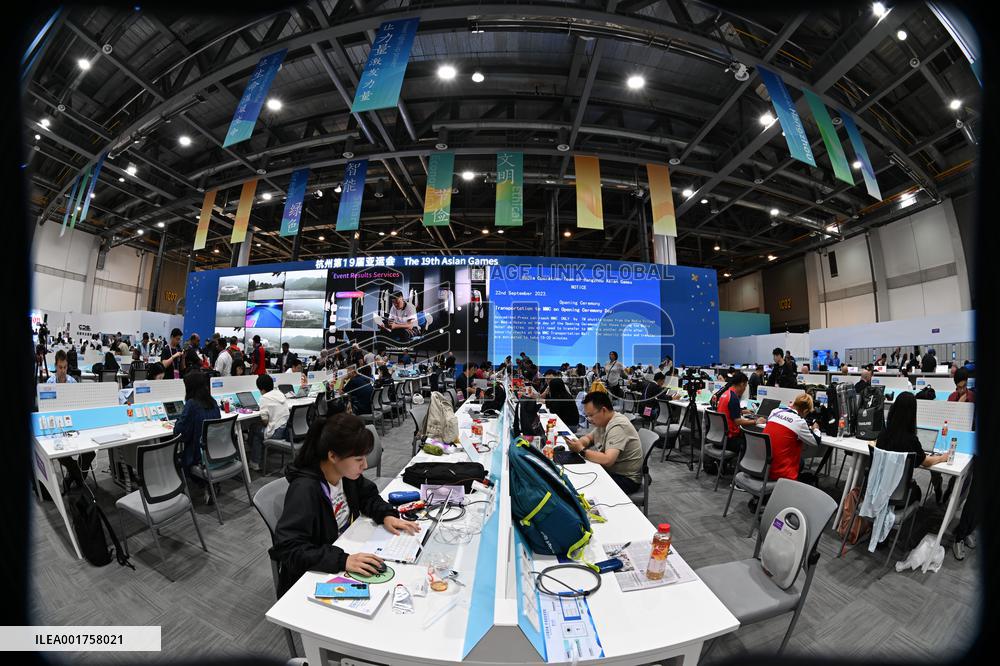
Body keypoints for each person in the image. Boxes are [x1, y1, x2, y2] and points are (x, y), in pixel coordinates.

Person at [269, 413, 419, 596]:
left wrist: (386, 514)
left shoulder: (346, 475)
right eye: (358, 459)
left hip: (345, 547)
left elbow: (368, 496)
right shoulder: (305, 490)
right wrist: (343, 561)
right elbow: (288, 548)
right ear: (332, 456)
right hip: (315, 571)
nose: (364, 465)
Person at [874, 391, 950, 506]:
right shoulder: (910, 439)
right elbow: (926, 462)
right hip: (900, 496)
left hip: (878, 490)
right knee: (917, 491)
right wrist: (942, 457)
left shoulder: (882, 435)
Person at [566, 391, 644, 494]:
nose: (589, 419)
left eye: (591, 415)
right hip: (613, 471)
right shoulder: (604, 421)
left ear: (603, 410)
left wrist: (581, 450)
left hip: (626, 479)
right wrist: (579, 443)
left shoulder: (618, 426)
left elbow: (608, 460)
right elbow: (589, 438)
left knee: (584, 486)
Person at [171, 370, 222, 502]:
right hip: (215, 452)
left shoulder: (192, 405)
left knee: (174, 458)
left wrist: (177, 421)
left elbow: (180, 432)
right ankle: (207, 484)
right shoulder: (213, 402)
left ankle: (183, 493)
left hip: (198, 455)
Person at [762, 394, 822, 482]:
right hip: (779, 471)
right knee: (800, 462)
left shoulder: (775, 411)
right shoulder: (799, 422)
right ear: (805, 411)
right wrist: (816, 428)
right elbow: (816, 442)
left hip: (762, 465)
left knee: (800, 462)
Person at [251, 374, 290, 471]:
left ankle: (254, 461)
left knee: (253, 428)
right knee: (257, 432)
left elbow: (265, 420)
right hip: (286, 430)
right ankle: (255, 460)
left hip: (276, 433)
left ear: (262, 389)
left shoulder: (264, 398)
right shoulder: (280, 393)